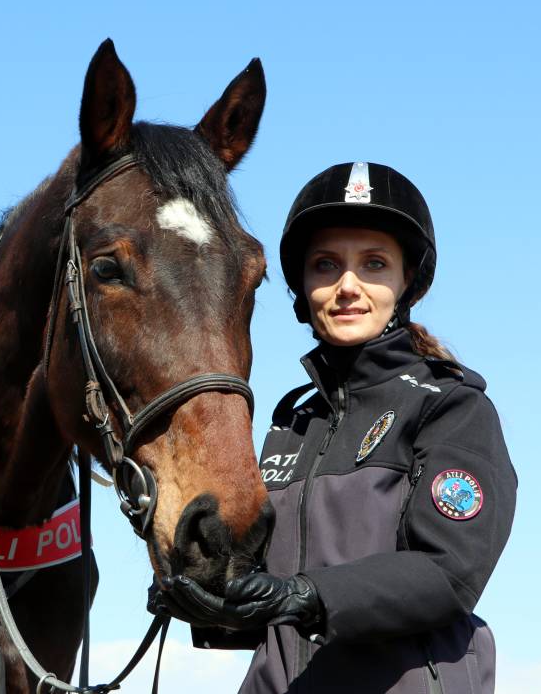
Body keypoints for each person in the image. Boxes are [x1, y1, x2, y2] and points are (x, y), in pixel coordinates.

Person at [152, 161, 517, 693]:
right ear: (303, 286)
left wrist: (309, 596)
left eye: (373, 264)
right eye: (325, 265)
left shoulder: (453, 407)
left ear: (405, 281)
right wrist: (198, 591)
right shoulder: (290, 423)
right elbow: (261, 601)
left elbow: (449, 573)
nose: (348, 286)